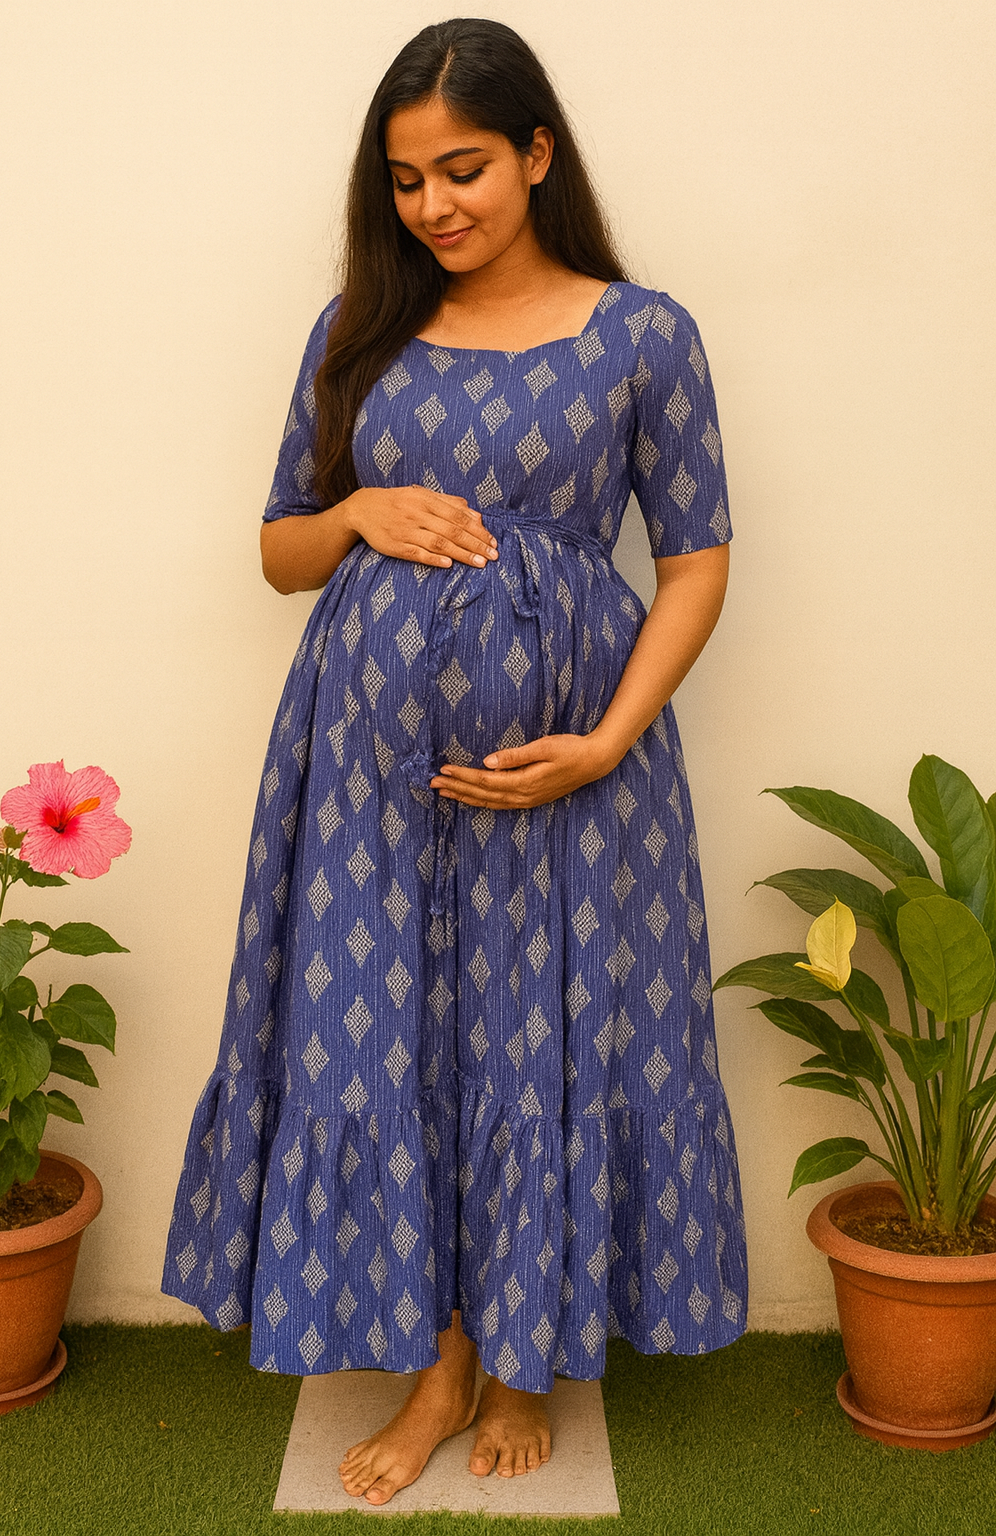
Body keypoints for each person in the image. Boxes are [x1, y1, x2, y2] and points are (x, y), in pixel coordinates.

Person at [163, 16, 747, 1507]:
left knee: (538, 1042)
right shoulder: (358, 328)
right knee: (395, 1044)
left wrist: (606, 741)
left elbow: (695, 560)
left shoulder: (643, 335)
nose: (434, 205)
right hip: (367, 783)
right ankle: (436, 1371)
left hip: (572, 776)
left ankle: (523, 1363)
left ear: (538, 154)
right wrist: (357, 513)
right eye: (408, 179)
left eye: (465, 169)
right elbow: (280, 550)